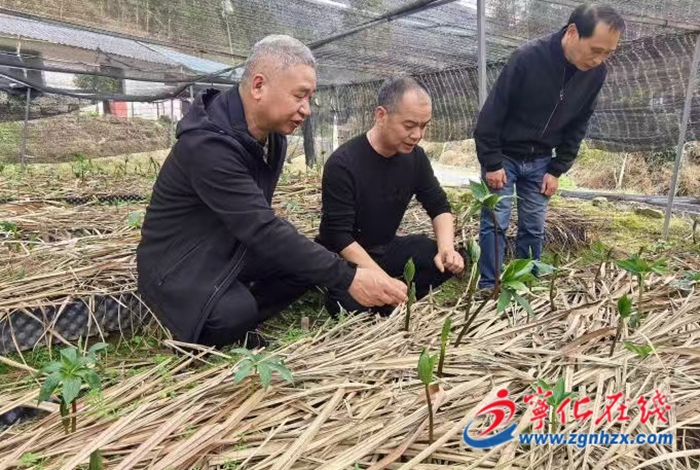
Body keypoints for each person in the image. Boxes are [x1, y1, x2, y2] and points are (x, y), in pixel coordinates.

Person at [136, 35, 407, 347]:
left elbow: (258, 224)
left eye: (310, 98)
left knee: (307, 265)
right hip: (179, 262)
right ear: (258, 86)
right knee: (231, 315)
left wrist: (340, 271)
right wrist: (348, 278)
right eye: (299, 96)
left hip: (230, 244)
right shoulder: (207, 146)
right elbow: (261, 228)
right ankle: (227, 312)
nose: (307, 110)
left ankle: (236, 303)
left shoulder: (273, 139)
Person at [474, 4, 624, 289]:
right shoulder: (528, 58)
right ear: (573, 32)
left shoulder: (595, 74)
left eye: (608, 53)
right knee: (495, 222)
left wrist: (557, 168)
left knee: (533, 226)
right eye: (595, 50)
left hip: (542, 161)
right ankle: (490, 286)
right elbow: (493, 112)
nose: (599, 59)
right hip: (504, 156)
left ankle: (526, 282)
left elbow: (580, 122)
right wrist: (492, 161)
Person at [318, 77, 465, 316]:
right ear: (381, 115)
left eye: (424, 126)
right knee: (346, 303)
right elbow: (339, 236)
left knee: (442, 262)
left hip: (385, 247)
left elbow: (439, 206)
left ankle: (395, 298)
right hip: (347, 257)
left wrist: (446, 249)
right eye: (409, 126)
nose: (417, 135)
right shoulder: (343, 163)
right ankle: (388, 295)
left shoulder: (415, 158)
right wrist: (382, 280)